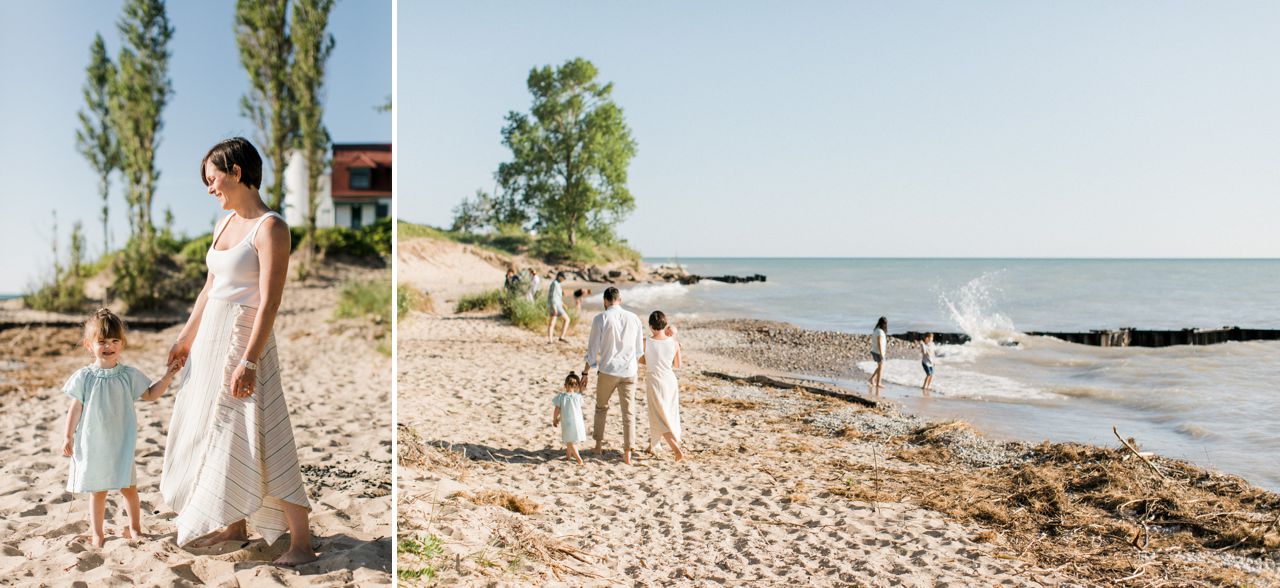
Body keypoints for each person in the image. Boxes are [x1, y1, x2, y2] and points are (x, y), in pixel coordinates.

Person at [162, 137, 315, 566]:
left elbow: (269, 301)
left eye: (213, 179)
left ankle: (301, 543)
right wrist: (186, 337)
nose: (210, 188)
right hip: (211, 336)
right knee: (219, 429)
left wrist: (249, 359)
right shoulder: (223, 225)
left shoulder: (272, 228)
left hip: (247, 337)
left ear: (237, 173)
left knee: (264, 433)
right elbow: (210, 289)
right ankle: (234, 526)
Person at [61, 309, 181, 547]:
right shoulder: (84, 376)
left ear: (122, 344)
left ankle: (135, 528)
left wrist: (167, 377)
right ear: (89, 345)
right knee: (99, 491)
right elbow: (75, 408)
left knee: (129, 488)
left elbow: (150, 394)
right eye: (102, 341)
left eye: (115, 340)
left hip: (121, 442)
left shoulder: (128, 375)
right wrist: (68, 436)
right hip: (93, 442)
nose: (109, 346)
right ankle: (98, 533)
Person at [580, 287, 645, 465]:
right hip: (629, 372)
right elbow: (639, 350)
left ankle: (598, 446)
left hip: (608, 370)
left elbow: (592, 350)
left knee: (601, 408)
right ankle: (627, 454)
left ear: (605, 300)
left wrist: (586, 371)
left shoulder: (601, 318)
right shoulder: (634, 318)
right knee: (629, 413)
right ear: (620, 299)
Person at [638, 311, 685, 461]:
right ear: (665, 324)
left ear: (651, 326)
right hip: (670, 381)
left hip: (654, 380)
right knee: (669, 413)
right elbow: (678, 365)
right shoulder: (674, 343)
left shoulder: (646, 342)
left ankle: (676, 450)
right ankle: (653, 445)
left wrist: (653, 361)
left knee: (658, 416)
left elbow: (641, 360)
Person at [551, 372, 588, 465]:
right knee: (570, 440)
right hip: (578, 422)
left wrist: (555, 419)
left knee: (571, 442)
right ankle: (568, 456)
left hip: (567, 422)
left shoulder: (561, 397)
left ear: (565, 385)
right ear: (576, 386)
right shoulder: (578, 397)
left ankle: (579, 460)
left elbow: (557, 409)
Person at [546, 272, 571, 343]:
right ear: (559, 277)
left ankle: (557, 338)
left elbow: (557, 297)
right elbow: (553, 296)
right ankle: (553, 339)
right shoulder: (554, 284)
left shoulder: (558, 284)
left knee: (564, 320)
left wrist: (563, 304)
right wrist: (554, 307)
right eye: (563, 278)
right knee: (554, 322)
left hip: (558, 305)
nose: (564, 280)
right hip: (555, 306)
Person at [869, 316, 888, 390]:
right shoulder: (880, 331)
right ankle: (878, 383)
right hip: (878, 352)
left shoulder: (876, 330)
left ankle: (872, 379)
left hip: (875, 350)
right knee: (881, 367)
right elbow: (879, 343)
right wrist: (881, 354)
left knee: (880, 367)